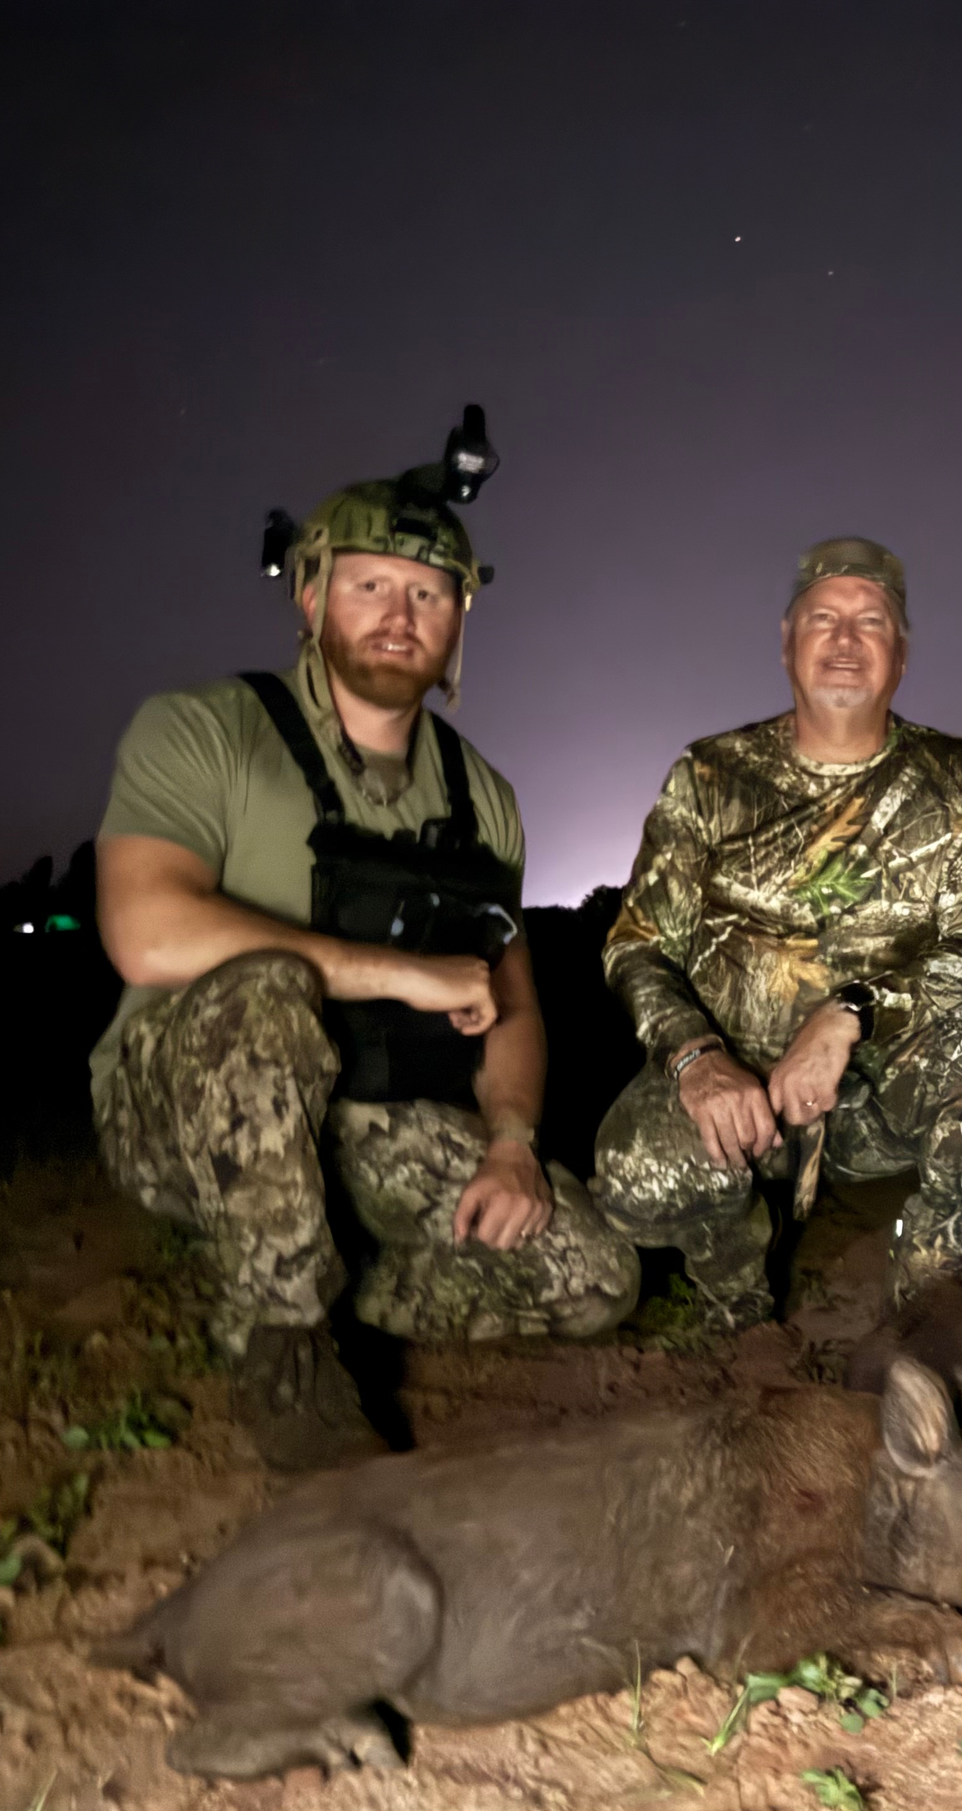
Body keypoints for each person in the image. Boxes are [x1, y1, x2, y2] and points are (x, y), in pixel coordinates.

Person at [89, 437, 637, 1470]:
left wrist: (510, 1143)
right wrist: (395, 972)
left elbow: (513, 1002)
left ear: (459, 617)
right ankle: (286, 1351)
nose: (400, 614)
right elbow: (146, 931)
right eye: (370, 585)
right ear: (310, 598)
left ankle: (328, 1273)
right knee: (262, 991)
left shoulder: (485, 798)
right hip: (179, 1103)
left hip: (365, 1113)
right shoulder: (202, 728)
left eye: (429, 593)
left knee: (596, 1275)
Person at [596, 537, 962, 1325]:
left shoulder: (958, 774)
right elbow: (638, 943)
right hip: (740, 1094)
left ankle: (938, 1291)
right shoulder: (709, 774)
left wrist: (853, 1012)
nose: (846, 639)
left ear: (901, 655)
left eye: (871, 621)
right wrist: (696, 1056)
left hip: (885, 1084)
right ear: (788, 643)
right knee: (632, 1174)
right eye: (823, 618)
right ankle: (737, 1275)